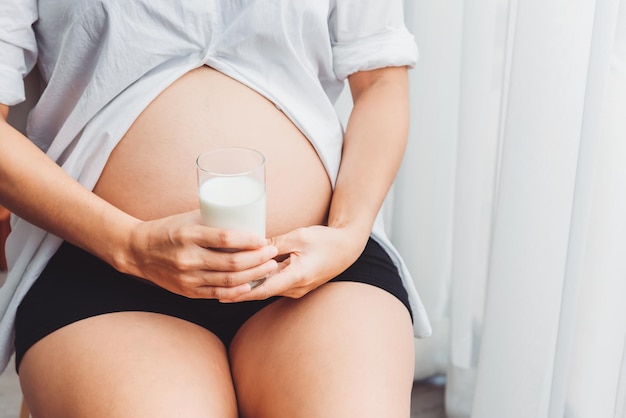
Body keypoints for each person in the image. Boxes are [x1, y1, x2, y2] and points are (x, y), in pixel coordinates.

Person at [0, 1, 432, 416]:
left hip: (312, 264)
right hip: (102, 266)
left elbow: (380, 82)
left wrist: (347, 233)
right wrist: (129, 245)